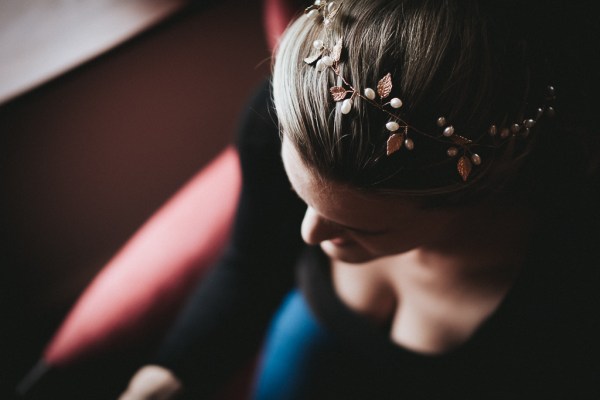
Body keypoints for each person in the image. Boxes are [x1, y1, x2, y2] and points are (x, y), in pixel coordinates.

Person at [120, 0, 599, 398]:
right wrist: (168, 374)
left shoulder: (564, 278)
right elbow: (254, 262)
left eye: (364, 229)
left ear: (471, 198)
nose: (308, 234)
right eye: (299, 194)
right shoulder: (280, 128)